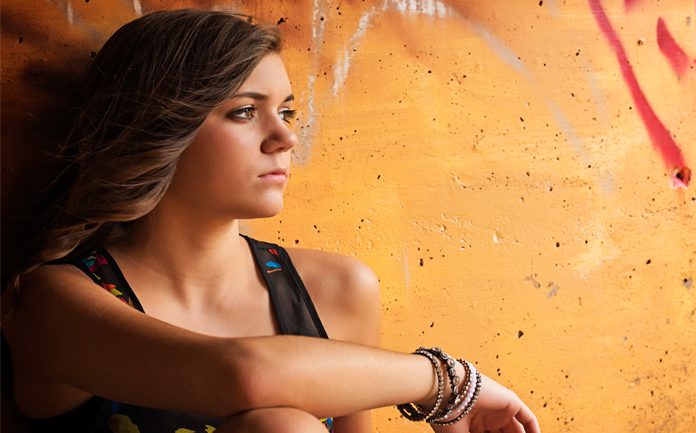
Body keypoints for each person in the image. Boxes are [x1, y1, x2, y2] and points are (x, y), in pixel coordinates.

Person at [0, 9, 540, 433]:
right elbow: (244, 375)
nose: (284, 139)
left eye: (285, 112)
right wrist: (446, 382)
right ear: (159, 127)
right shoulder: (53, 301)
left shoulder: (337, 290)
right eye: (242, 111)